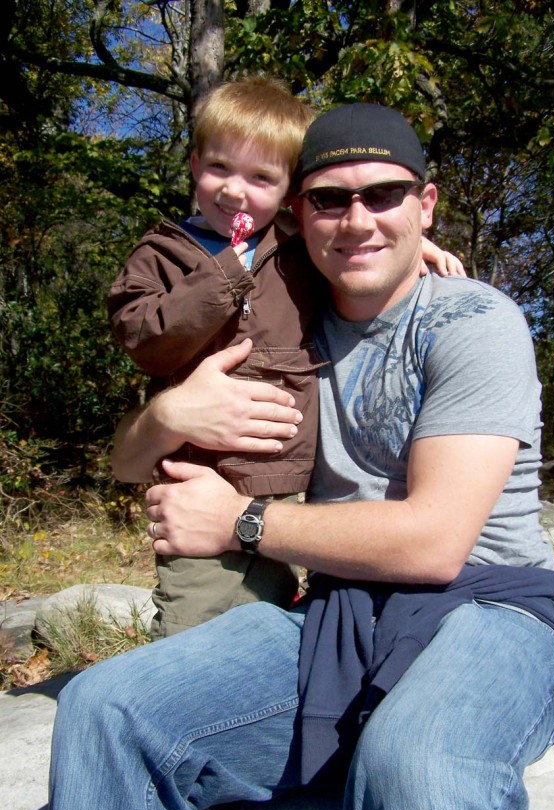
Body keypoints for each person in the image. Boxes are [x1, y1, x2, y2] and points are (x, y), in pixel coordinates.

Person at [49, 102, 554, 810]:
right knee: (104, 706)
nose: (357, 220)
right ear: (298, 215)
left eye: (384, 194)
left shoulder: (473, 320)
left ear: (425, 205)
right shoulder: (283, 322)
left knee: (416, 764)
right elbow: (124, 463)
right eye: (331, 198)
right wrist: (172, 416)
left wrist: (241, 519)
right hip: (336, 618)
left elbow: (435, 543)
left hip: (489, 611)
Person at [108, 77, 465, 639]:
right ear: (195, 164)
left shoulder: (294, 247)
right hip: (206, 480)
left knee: (281, 630)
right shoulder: (162, 254)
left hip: (300, 486)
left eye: (261, 178)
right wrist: (229, 268)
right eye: (219, 168)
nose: (234, 191)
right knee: (202, 632)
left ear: (288, 193)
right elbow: (145, 341)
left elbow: (351, 242)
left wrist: (413, 242)